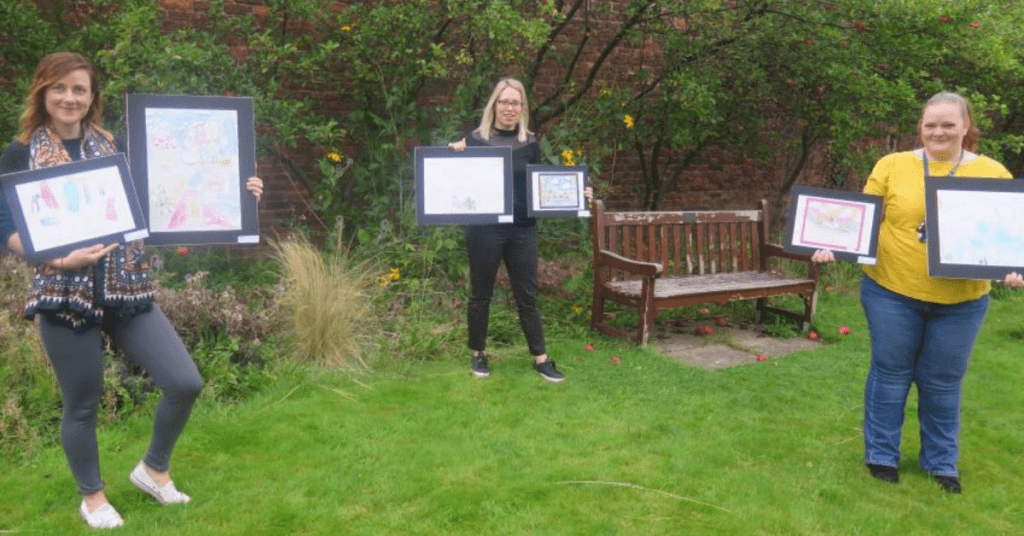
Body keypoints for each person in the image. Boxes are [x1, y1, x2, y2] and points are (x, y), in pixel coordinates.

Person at [0, 52, 264, 529]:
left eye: (80, 89)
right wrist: (57, 257)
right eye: (59, 88)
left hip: (126, 286)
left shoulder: (116, 146)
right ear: (42, 92)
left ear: (92, 97)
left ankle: (153, 468)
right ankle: (93, 498)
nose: (69, 97)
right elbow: (6, 227)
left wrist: (238, 193)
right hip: (64, 294)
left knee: (185, 382)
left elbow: (165, 196)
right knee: (82, 403)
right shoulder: (19, 154)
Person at [811, 91, 1024, 494]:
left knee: (943, 380)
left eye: (948, 124)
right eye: (930, 125)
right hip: (891, 290)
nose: (938, 132)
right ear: (920, 128)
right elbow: (860, 219)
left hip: (962, 302)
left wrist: (1013, 268)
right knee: (891, 374)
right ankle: (881, 456)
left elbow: (1009, 235)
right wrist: (829, 242)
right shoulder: (892, 166)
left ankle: (941, 462)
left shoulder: (994, 173)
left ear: (966, 127)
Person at [448, 78, 591, 382]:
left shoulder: (531, 143)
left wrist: (579, 194)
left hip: (522, 230)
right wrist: (452, 155)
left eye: (516, 102)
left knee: (527, 295)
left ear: (522, 107)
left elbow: (542, 185)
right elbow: (455, 180)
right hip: (484, 230)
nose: (510, 108)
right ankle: (478, 354)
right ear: (494, 105)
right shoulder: (474, 140)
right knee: (480, 294)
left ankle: (540, 358)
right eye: (504, 101)